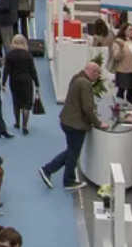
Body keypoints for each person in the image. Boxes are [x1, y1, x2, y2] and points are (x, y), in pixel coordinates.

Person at [40, 62, 107, 191]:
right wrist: (98, 123)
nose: (98, 77)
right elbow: (87, 107)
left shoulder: (76, 77)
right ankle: (66, 180)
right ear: (93, 71)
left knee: (71, 150)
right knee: (73, 153)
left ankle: (48, 170)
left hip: (67, 120)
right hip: (76, 124)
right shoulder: (85, 84)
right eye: (98, 73)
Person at [3, 35, 40, 134]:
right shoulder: (28, 55)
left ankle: (17, 123)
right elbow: (33, 70)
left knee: (16, 102)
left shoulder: (10, 55)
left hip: (14, 81)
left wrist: (3, 83)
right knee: (26, 104)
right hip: (27, 81)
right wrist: (37, 84)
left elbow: (6, 70)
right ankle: (25, 126)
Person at [110, 23, 132, 105]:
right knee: (121, 90)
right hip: (123, 70)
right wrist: (121, 48)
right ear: (124, 31)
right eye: (130, 29)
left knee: (131, 92)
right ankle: (119, 109)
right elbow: (117, 57)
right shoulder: (118, 41)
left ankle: (131, 111)